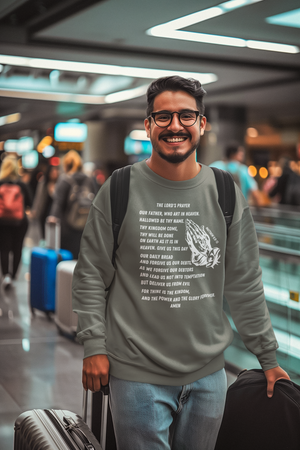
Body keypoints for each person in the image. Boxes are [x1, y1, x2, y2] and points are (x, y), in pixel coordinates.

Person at [72, 76, 290, 450]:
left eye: (187, 116)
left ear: (202, 124)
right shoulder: (120, 187)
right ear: (148, 125)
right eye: (164, 117)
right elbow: (91, 273)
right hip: (136, 375)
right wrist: (94, 345)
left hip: (209, 378)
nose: (175, 126)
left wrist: (267, 357)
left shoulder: (225, 191)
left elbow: (244, 282)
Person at [48, 150, 95, 259]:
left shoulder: (64, 180)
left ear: (66, 165)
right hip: (85, 225)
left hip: (67, 227)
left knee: (66, 257)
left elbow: (58, 203)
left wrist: (53, 217)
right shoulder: (89, 180)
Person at [0, 155, 32, 289]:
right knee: (17, 248)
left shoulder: (0, 183)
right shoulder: (21, 185)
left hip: (2, 221)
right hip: (20, 222)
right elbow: (30, 203)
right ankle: (13, 276)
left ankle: (6, 275)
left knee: (4, 248)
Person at [31, 164, 59, 238]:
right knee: (44, 232)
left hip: (55, 212)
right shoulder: (44, 182)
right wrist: (35, 209)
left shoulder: (60, 184)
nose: (54, 173)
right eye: (52, 172)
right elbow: (38, 196)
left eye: (56, 171)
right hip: (44, 210)